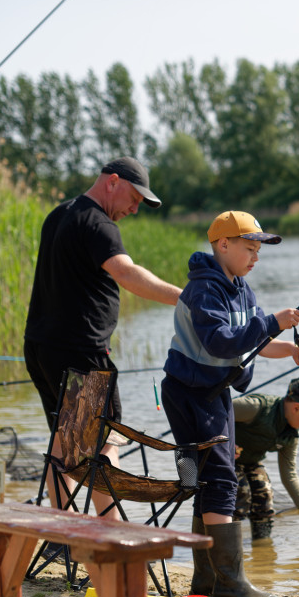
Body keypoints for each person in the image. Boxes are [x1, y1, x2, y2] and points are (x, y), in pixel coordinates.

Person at [160, 210, 299, 597]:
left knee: (211, 482)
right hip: (191, 393)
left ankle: (207, 581)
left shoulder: (242, 290)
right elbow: (221, 343)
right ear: (223, 245)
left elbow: (255, 343)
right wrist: (270, 323)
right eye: (250, 248)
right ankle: (229, 582)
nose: (256, 258)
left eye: (258, 250)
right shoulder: (204, 290)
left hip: (216, 391)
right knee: (222, 481)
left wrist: (291, 350)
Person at [24, 156, 182, 521]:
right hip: (81, 354)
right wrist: (185, 297)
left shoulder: (60, 214)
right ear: (113, 181)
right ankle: (113, 541)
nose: (135, 208)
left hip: (41, 348)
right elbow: (127, 274)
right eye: (134, 197)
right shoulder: (99, 224)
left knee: (63, 445)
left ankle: (63, 535)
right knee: (103, 442)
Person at [233, 377, 299, 541]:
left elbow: (289, 474)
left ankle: (262, 551)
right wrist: (223, 442)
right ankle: (224, 547)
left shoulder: (290, 436)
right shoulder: (256, 408)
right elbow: (214, 411)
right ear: (296, 408)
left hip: (249, 462)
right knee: (240, 492)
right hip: (216, 455)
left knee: (263, 493)